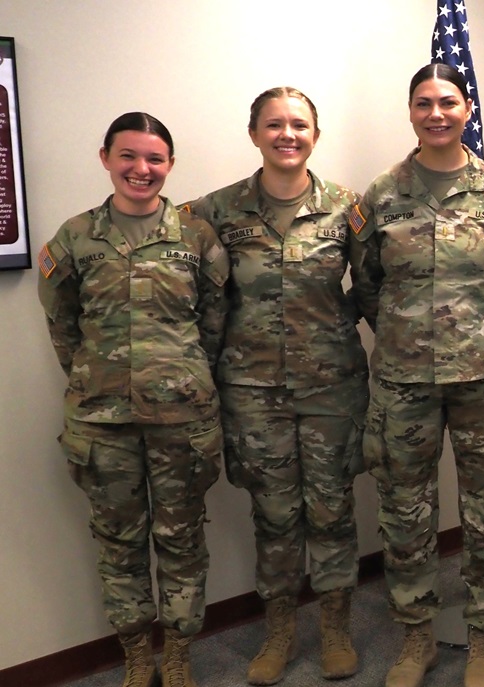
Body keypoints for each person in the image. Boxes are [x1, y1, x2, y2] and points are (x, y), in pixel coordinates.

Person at [350, 63, 484, 687]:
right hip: (403, 380)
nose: (436, 113)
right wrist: (410, 330)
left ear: (467, 110)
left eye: (448, 102)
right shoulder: (381, 193)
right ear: (411, 112)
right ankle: (415, 637)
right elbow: (368, 282)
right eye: (423, 102)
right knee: (405, 513)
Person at [183, 87, 368, 684]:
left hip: (330, 388)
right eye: (274, 124)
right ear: (254, 133)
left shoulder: (348, 208)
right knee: (276, 514)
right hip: (252, 391)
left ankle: (335, 626)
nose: (287, 134)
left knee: (333, 510)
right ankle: (280, 630)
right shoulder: (214, 211)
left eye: (299, 124)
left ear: (316, 134)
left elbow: (373, 289)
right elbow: (194, 294)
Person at [37, 112, 229, 687]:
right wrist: (97, 381)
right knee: (117, 542)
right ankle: (136, 653)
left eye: (155, 159)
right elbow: (62, 323)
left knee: (181, 537)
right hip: (102, 425)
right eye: (128, 156)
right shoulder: (75, 237)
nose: (141, 170)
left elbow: (215, 324)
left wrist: (184, 377)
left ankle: (177, 652)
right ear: (105, 158)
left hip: (182, 420)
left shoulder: (197, 237)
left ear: (169, 165)